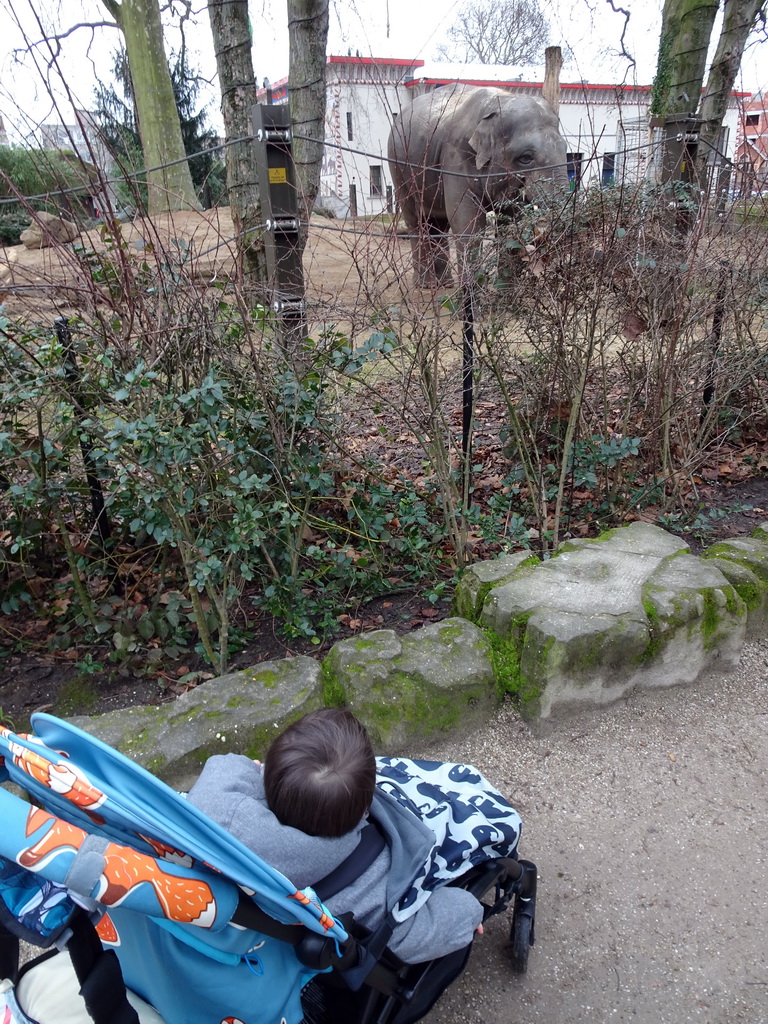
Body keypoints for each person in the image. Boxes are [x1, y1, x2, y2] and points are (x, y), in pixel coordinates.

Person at [187, 708, 489, 963]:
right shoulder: (372, 888)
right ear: (363, 812)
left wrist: (258, 777)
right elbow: (411, 934)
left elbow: (223, 768)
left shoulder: (223, 816)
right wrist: (468, 912)